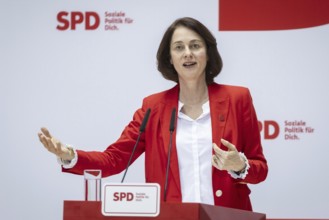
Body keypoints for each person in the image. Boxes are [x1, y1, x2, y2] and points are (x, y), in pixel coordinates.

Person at [38, 17, 268, 211]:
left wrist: (240, 165)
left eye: (195, 45)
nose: (188, 53)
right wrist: (70, 155)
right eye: (179, 47)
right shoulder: (153, 107)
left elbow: (260, 169)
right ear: (170, 58)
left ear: (208, 52)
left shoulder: (238, 99)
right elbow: (114, 159)